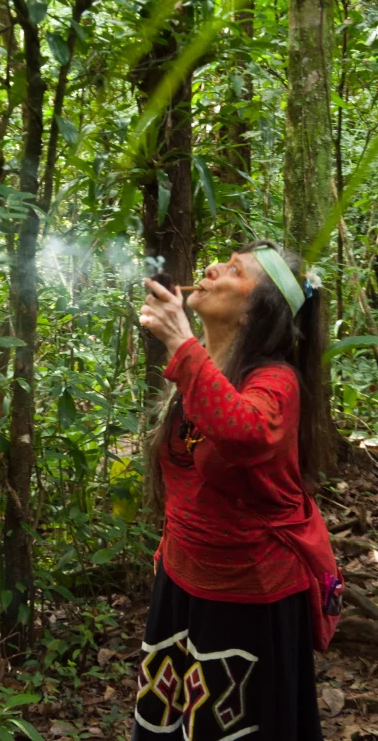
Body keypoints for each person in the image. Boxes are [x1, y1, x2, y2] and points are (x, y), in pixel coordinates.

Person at [133, 240, 343, 741]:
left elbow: (244, 434)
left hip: (248, 593)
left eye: (234, 270)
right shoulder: (204, 367)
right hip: (183, 582)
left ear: (255, 312)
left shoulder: (276, 381)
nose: (210, 268)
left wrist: (181, 345)